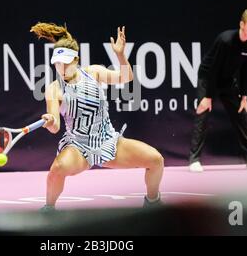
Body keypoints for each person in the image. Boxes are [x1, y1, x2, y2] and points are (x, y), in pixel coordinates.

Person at [30, 23, 164, 211]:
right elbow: (55, 127)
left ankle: (152, 202)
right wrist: (51, 120)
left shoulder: (93, 72)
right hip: (78, 146)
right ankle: (48, 209)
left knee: (156, 160)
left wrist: (120, 55)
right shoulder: (54, 88)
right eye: (58, 63)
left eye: (66, 62)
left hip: (109, 142)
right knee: (57, 170)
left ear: (76, 60)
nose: (61, 67)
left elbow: (126, 78)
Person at [189, 9, 247, 172]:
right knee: (203, 115)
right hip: (208, 77)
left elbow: (245, 70)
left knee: (241, 114)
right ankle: (194, 160)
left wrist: (244, 96)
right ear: (242, 25)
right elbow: (213, 70)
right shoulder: (225, 40)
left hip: (227, 80)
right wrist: (208, 97)